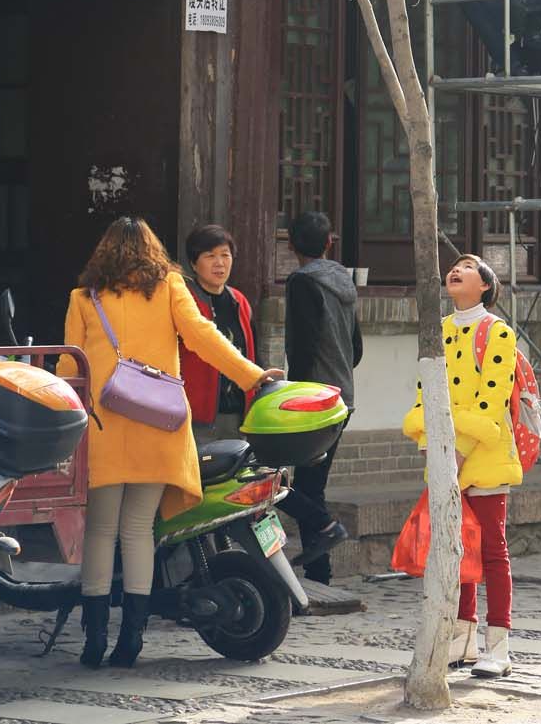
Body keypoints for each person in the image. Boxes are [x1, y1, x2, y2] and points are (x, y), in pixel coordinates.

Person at [58, 216, 281, 671]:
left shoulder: (84, 297)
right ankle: (131, 640)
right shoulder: (169, 287)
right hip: (159, 425)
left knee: (100, 530)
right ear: (153, 250)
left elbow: (69, 369)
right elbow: (203, 338)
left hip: (103, 426)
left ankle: (94, 640)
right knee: (139, 528)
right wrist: (252, 375)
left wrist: (59, 422)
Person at [402, 254, 522, 679]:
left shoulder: (498, 331)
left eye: (468, 266)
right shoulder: (439, 330)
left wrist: (458, 452)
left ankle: (499, 646)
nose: (457, 269)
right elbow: (425, 391)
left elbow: (491, 400)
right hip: (443, 454)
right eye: (454, 265)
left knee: (491, 551)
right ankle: (462, 639)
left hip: (484, 458)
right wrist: (428, 443)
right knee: (457, 549)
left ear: (485, 285)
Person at [279, 210, 362, 584]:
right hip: (342, 396)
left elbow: (303, 348)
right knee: (312, 485)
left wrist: (294, 394)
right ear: (330, 242)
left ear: (290, 244)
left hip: (312, 396)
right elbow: (356, 348)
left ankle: (326, 531)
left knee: (284, 484)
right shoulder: (344, 279)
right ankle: (319, 574)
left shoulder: (301, 282)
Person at [180, 224, 255, 449]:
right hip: (195, 417)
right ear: (194, 263)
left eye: (225, 255)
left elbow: (252, 354)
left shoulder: (239, 301)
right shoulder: (184, 301)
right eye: (210, 256)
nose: (220, 263)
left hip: (237, 417)